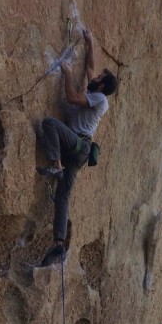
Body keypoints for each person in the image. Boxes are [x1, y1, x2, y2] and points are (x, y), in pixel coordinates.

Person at [37, 28, 118, 265]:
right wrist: (90, 42)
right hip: (78, 152)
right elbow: (90, 67)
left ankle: (56, 165)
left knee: (49, 124)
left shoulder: (99, 99)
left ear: (101, 86)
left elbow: (72, 97)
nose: (95, 76)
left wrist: (68, 74)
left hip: (78, 145)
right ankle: (58, 244)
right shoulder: (97, 92)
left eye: (99, 78)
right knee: (63, 196)